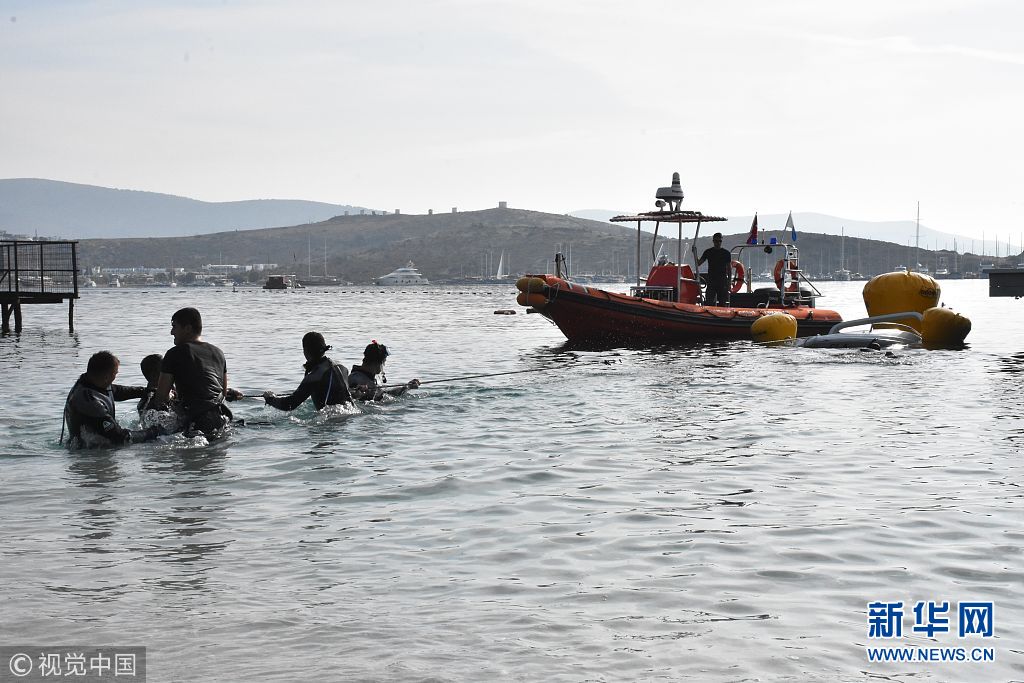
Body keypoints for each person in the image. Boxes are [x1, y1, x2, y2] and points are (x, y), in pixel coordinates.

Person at [151, 307, 243, 437]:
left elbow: (160, 398)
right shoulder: (218, 352)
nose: (172, 332)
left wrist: (172, 399)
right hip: (222, 419)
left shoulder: (174, 353)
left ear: (187, 328)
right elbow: (223, 392)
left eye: (174, 327)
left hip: (196, 423)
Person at [63, 350, 162, 448]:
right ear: (106, 377)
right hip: (89, 453)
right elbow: (119, 437)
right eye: (115, 374)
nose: (115, 376)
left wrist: (145, 391)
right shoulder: (90, 402)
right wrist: (154, 432)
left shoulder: (93, 381)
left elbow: (117, 391)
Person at [263, 332, 354, 411]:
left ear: (305, 351)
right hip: (350, 413)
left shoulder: (314, 376)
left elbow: (289, 405)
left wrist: (270, 399)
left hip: (330, 422)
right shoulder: (342, 368)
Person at [348, 340, 420, 401]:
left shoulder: (371, 378)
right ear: (376, 363)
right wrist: (357, 394)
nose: (384, 365)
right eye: (384, 362)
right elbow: (347, 395)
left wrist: (407, 387)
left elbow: (385, 394)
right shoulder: (354, 379)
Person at [697, 232, 733, 306]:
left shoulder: (726, 253)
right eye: (716, 241)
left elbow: (729, 269)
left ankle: (722, 316)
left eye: (720, 241)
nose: (718, 243)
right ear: (713, 241)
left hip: (722, 281)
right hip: (711, 281)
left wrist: (729, 283)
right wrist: (695, 253)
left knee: (722, 303)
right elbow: (699, 263)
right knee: (709, 302)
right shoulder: (708, 252)